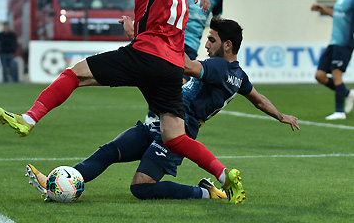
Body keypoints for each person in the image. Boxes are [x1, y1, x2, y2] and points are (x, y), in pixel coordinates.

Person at [0, 0, 257, 202]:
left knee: (76, 73)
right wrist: (137, 30)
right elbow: (165, 18)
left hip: (148, 55)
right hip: (170, 65)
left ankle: (29, 118)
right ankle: (224, 175)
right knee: (175, 136)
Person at [25, 18, 299, 204]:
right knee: (109, 151)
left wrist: (150, 45)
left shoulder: (218, 67)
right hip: (164, 120)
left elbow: (188, 67)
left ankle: (206, 193)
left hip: (177, 133)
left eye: (212, 40)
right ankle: (62, 182)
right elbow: (259, 99)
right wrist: (281, 115)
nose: (206, 45)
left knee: (140, 188)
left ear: (227, 45)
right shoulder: (238, 75)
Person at [145, 0, 222, 124]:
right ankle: (157, 118)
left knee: (176, 81)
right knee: (168, 79)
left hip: (191, 44)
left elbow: (217, 24)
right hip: (172, 39)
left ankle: (157, 119)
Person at [311, 0, 354, 120]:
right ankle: (349, 94)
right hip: (334, 42)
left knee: (336, 74)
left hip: (345, 43)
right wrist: (323, 9)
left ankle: (339, 111)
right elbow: (337, 14)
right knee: (320, 75)